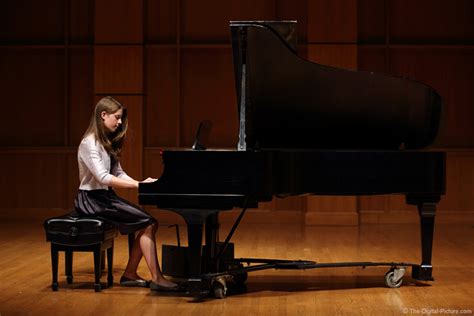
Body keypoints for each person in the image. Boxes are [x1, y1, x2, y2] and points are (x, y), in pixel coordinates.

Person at [74, 96, 179, 291]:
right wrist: (138, 186)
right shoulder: (89, 143)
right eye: (117, 117)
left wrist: (141, 182)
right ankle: (156, 277)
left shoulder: (107, 142)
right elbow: (103, 178)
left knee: (149, 222)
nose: (120, 122)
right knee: (149, 223)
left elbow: (118, 173)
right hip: (91, 200)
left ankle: (131, 274)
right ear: (103, 115)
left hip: (104, 197)